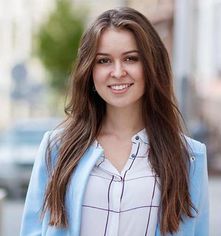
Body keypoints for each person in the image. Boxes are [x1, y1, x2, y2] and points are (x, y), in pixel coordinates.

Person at [20, 7, 209, 236]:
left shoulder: (188, 156)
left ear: (151, 66)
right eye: (104, 61)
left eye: (130, 58)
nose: (118, 72)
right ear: (89, 70)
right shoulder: (57, 149)